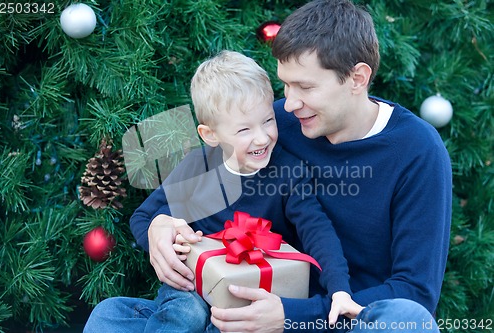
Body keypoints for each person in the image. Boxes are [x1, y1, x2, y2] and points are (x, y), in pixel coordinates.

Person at [141, 1, 452, 332]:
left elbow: (415, 293)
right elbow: (193, 176)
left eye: (305, 87)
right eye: (286, 85)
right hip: (253, 310)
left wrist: (294, 316)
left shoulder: (417, 151)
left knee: (411, 321)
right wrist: (157, 224)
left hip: (349, 321)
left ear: (357, 78)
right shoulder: (271, 128)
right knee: (111, 314)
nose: (289, 103)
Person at [84, 50, 363, 333]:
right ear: (210, 135)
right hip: (191, 287)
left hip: (248, 291)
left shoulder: (288, 173)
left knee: (229, 325)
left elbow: (319, 233)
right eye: (244, 130)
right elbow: (145, 217)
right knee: (150, 314)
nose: (262, 137)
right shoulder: (198, 166)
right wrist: (163, 242)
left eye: (268, 120)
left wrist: (339, 290)